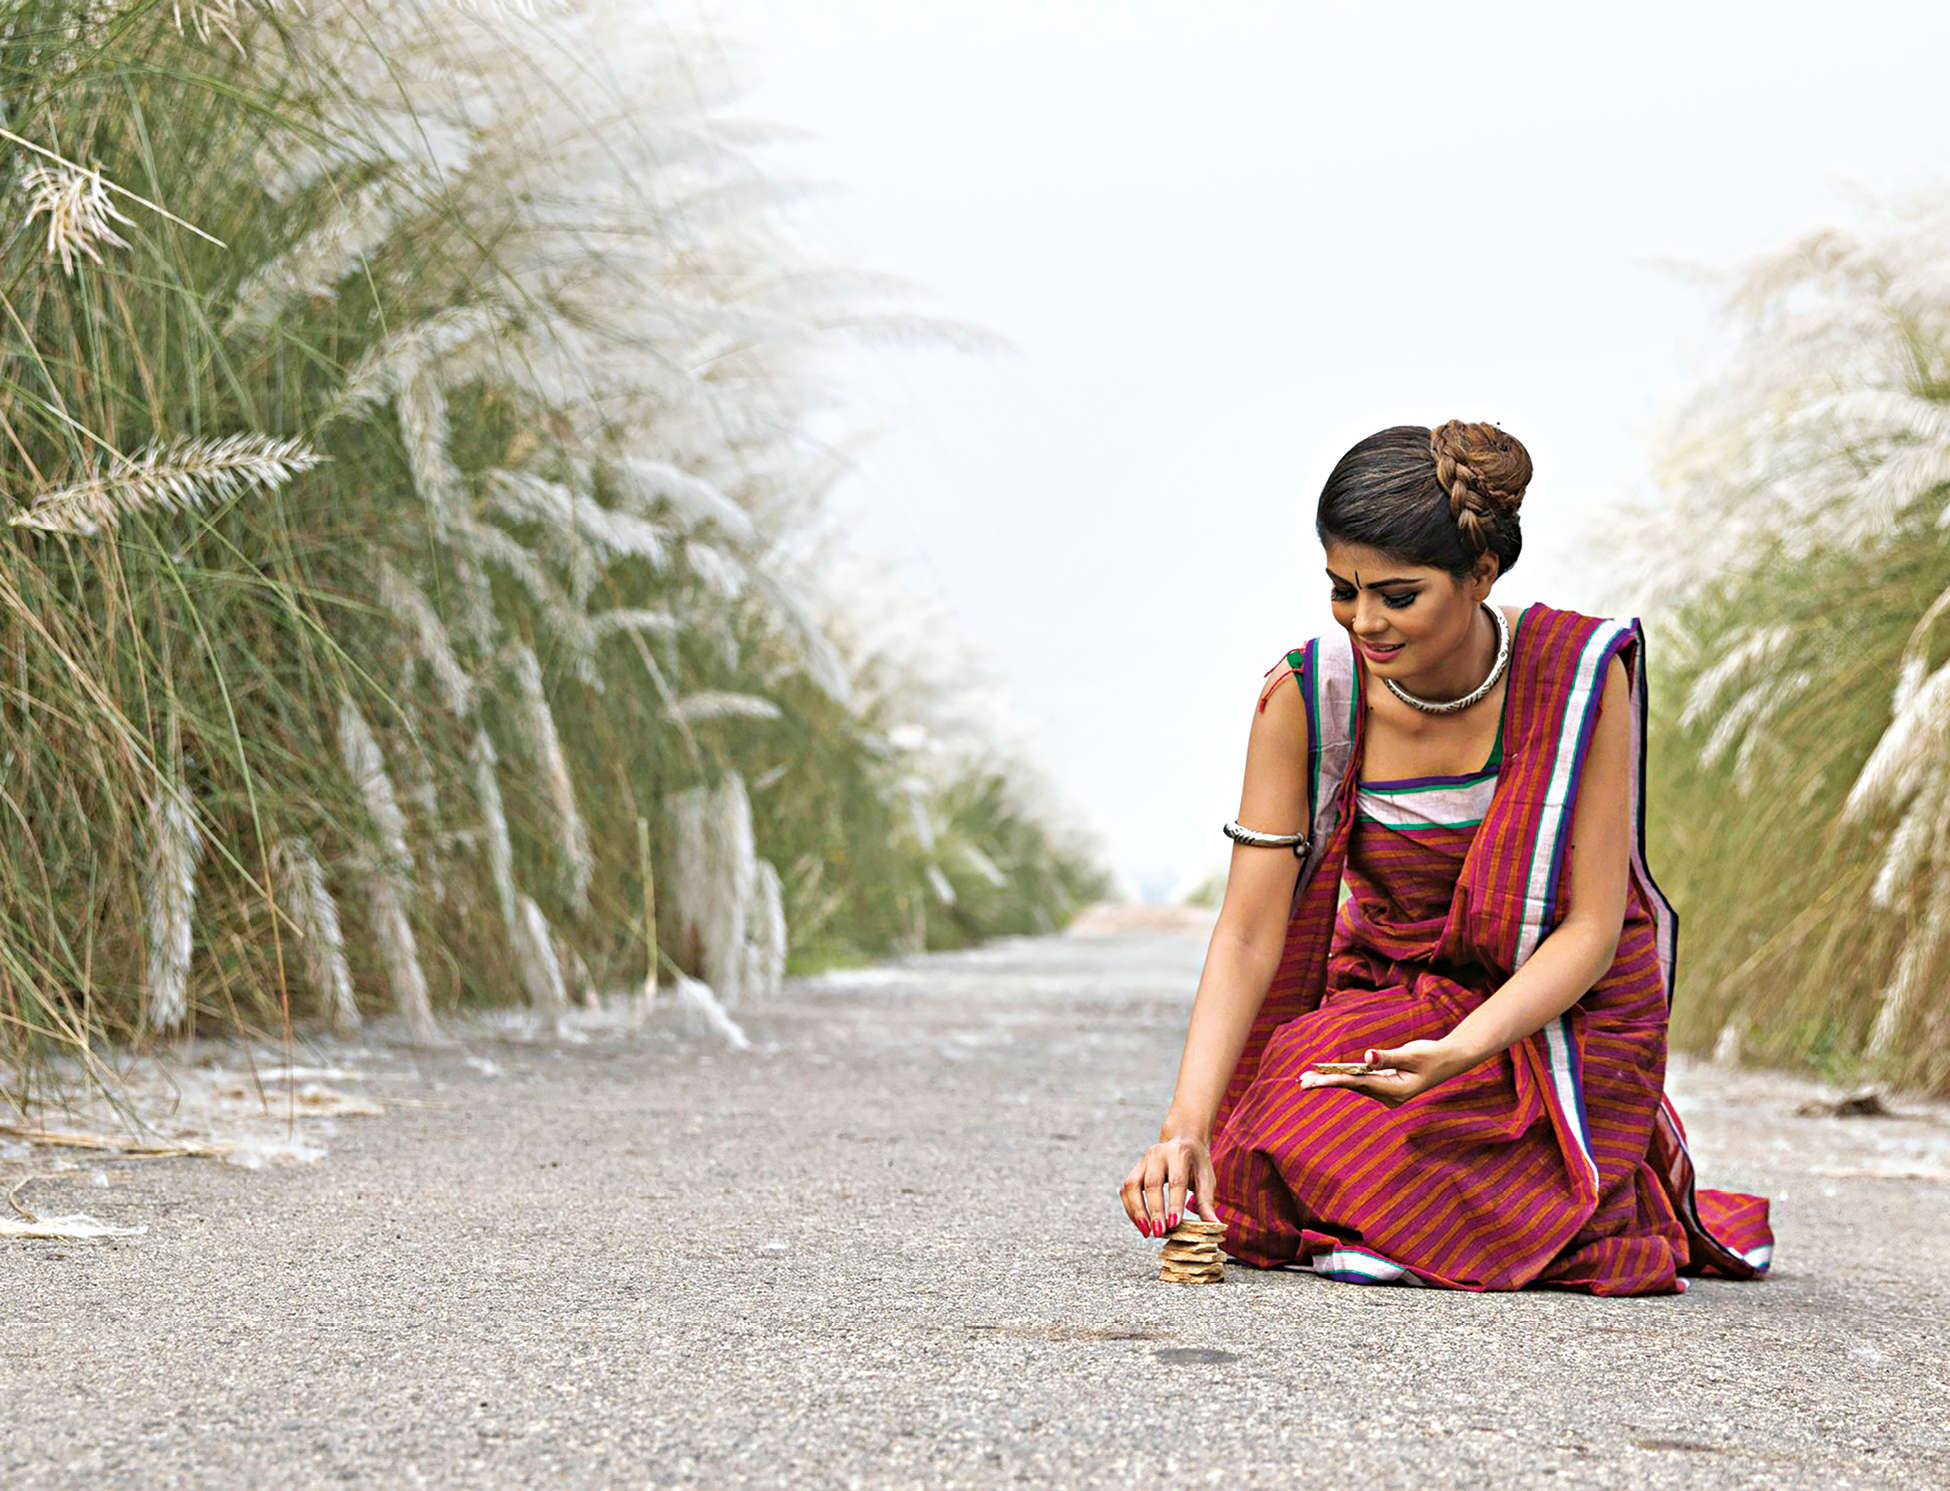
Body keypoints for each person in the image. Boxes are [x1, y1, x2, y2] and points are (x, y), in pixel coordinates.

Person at [1116, 420, 1773, 1294]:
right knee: (1274, 1137)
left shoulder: (1577, 678)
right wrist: (1185, 1125)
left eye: (1398, 595)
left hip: (1548, 1021)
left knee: (1485, 1189)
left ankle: (1507, 1190)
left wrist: (1460, 1049)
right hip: (1390, 1010)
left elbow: (1592, 928)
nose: (1365, 622)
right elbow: (1246, 932)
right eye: (1343, 590)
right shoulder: (1309, 696)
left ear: (1482, 573)